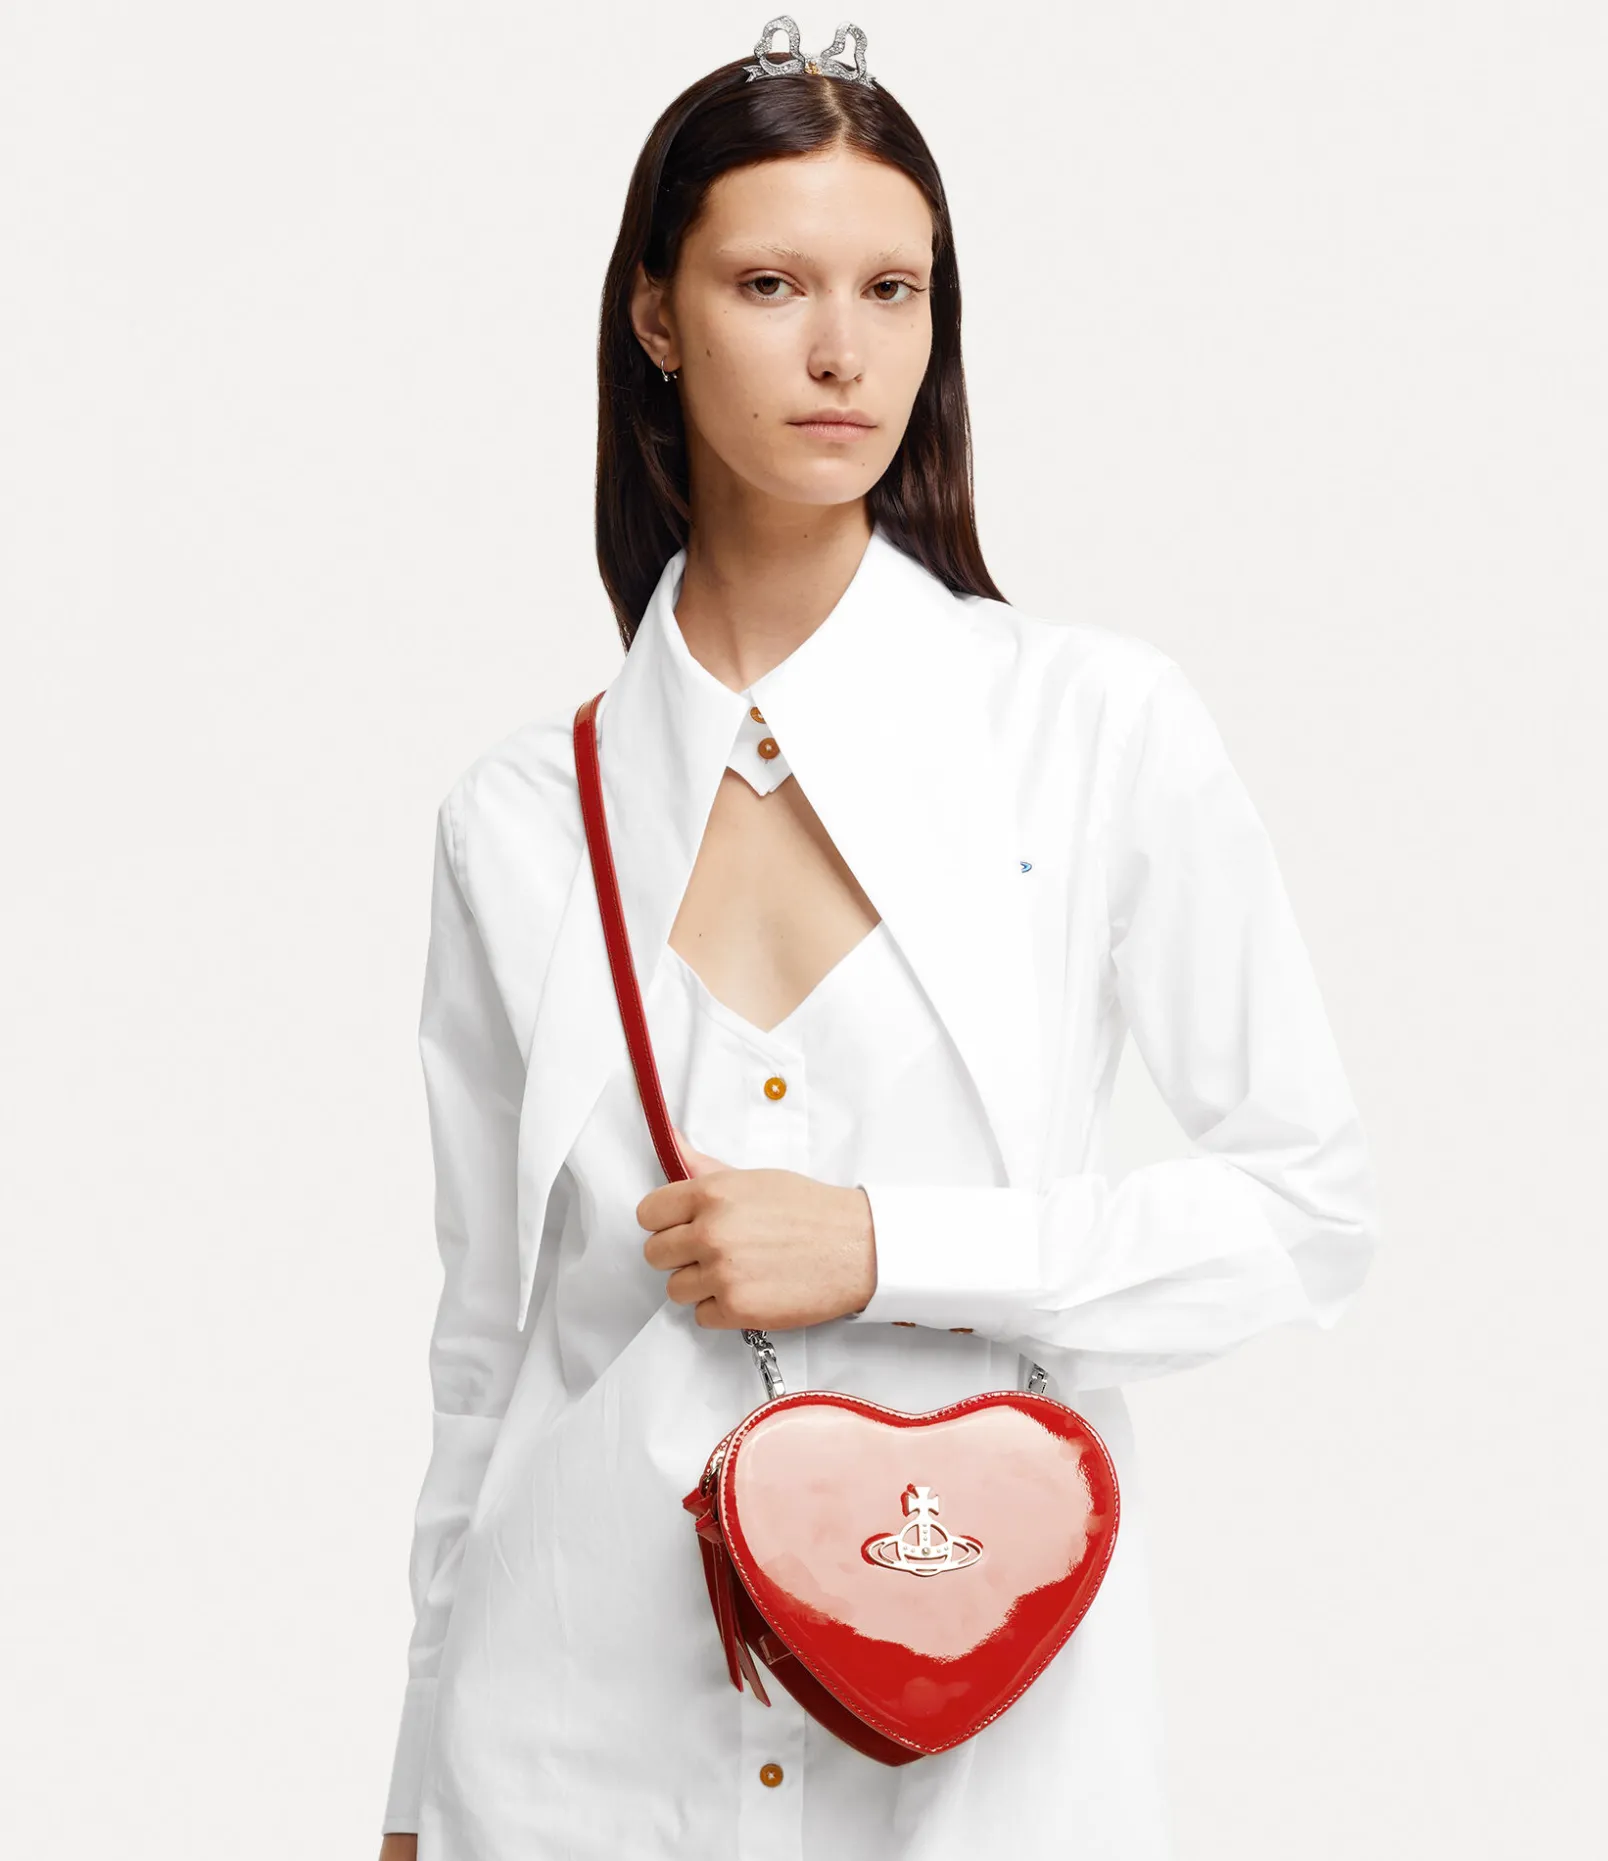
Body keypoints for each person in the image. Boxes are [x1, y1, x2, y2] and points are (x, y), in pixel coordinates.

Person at [376, 17, 1380, 1860]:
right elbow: (485, 1347)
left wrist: (885, 1247)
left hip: (983, 1742)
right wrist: (411, 1786)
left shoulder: (1093, 731)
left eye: (893, 289)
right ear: (657, 317)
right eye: (771, 284)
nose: (844, 350)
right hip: (574, 1759)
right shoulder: (519, 819)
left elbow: (1304, 1211)